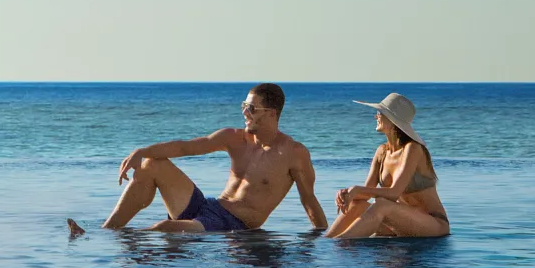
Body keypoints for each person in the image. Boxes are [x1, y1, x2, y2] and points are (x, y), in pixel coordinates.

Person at [68, 83, 326, 234]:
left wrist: (324, 240)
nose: (244, 113)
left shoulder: (293, 153)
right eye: (243, 106)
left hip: (233, 224)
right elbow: (186, 147)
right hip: (207, 206)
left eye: (251, 108)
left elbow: (309, 199)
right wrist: (141, 152)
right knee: (152, 164)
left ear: (270, 113)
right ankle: (106, 232)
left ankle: (117, 240)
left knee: (165, 228)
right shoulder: (234, 138)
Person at [327, 92, 449, 239]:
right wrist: (346, 194)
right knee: (356, 204)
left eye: (380, 113)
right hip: (401, 222)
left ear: (393, 120)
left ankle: (341, 243)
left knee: (381, 205)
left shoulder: (413, 149)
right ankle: (327, 244)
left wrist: (357, 189)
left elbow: (394, 193)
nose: (376, 116)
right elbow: (366, 194)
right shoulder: (382, 152)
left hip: (433, 223)